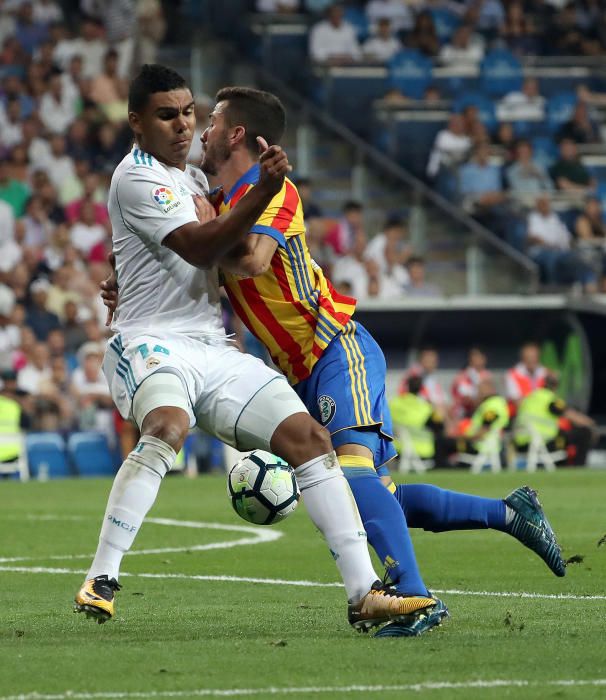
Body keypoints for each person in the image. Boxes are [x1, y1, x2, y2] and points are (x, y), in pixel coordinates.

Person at [103, 85, 567, 636]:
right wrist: (128, 286)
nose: (199, 130)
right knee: (367, 493)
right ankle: (510, 513)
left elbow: (251, 261)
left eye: (212, 121)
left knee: (349, 473)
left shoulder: (272, 191)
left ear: (235, 135)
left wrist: (206, 230)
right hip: (296, 371)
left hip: (333, 345)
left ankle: (416, 597)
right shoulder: (214, 202)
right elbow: (189, 269)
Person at [75, 64, 429, 633]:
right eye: (168, 115)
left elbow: (170, 242)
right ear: (137, 123)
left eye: (190, 112)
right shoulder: (136, 176)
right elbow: (199, 247)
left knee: (310, 440)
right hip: (150, 343)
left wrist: (120, 269)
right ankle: (103, 575)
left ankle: (364, 593)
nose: (185, 125)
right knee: (168, 423)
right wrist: (264, 188)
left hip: (212, 345)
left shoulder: (192, 177)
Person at [514, 373, 595, 467]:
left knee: (562, 433)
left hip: (521, 444)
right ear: (556, 386)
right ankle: (579, 467)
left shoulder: (530, 397)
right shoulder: (551, 399)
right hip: (543, 443)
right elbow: (569, 414)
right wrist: (590, 423)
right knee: (585, 432)